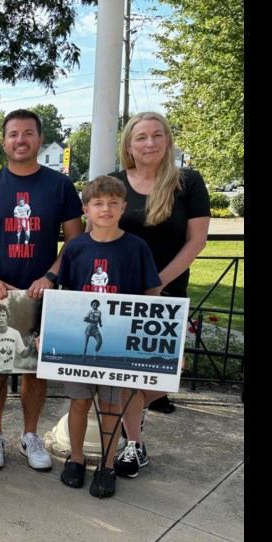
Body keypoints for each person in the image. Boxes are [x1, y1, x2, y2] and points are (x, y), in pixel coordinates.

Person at [0, 108, 84, 471]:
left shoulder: (59, 186)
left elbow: (75, 242)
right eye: (13, 134)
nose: (21, 140)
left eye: (28, 133)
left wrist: (51, 276)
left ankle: (30, 435)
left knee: (35, 368)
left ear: (40, 140)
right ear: (3, 142)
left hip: (40, 294)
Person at [110, 112, 210, 477]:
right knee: (126, 377)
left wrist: (158, 282)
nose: (149, 143)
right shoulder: (114, 183)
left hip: (166, 294)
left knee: (163, 376)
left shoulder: (189, 182)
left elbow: (196, 241)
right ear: (129, 145)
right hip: (120, 294)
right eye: (141, 137)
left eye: (156, 135)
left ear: (167, 140)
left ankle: (131, 428)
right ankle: (133, 444)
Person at [56, 175, 161, 498]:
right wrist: (51, 334)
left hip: (118, 343)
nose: (105, 209)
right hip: (78, 343)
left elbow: (152, 293)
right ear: (85, 209)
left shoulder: (135, 247)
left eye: (112, 203)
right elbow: (64, 295)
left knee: (111, 406)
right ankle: (76, 458)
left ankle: (107, 464)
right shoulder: (74, 247)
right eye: (98, 204)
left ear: (123, 207)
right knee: (78, 402)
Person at [0, 303, 34, 373]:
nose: (1, 318)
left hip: (9, 373)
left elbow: (23, 354)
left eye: (3, 315)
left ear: (7, 318)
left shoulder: (15, 333)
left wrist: (30, 347)